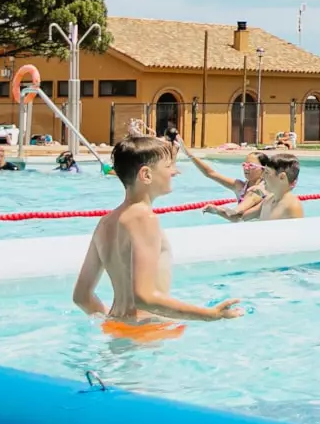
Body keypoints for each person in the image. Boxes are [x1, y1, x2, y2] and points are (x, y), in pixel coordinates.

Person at [73, 136, 243, 337]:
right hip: (146, 332)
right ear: (146, 175)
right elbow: (144, 298)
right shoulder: (144, 218)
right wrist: (210, 315)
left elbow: (81, 296)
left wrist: (115, 324)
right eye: (168, 166)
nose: (175, 172)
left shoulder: (105, 222)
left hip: (118, 327)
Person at [177, 142, 266, 220]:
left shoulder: (264, 189)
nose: (246, 168)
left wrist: (219, 210)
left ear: (264, 169)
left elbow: (238, 215)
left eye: (251, 166)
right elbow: (210, 173)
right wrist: (189, 154)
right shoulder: (239, 186)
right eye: (244, 165)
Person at [250, 150, 305, 222]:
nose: (262, 176)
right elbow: (242, 217)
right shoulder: (268, 200)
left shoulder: (292, 207)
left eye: (267, 172)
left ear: (282, 177)